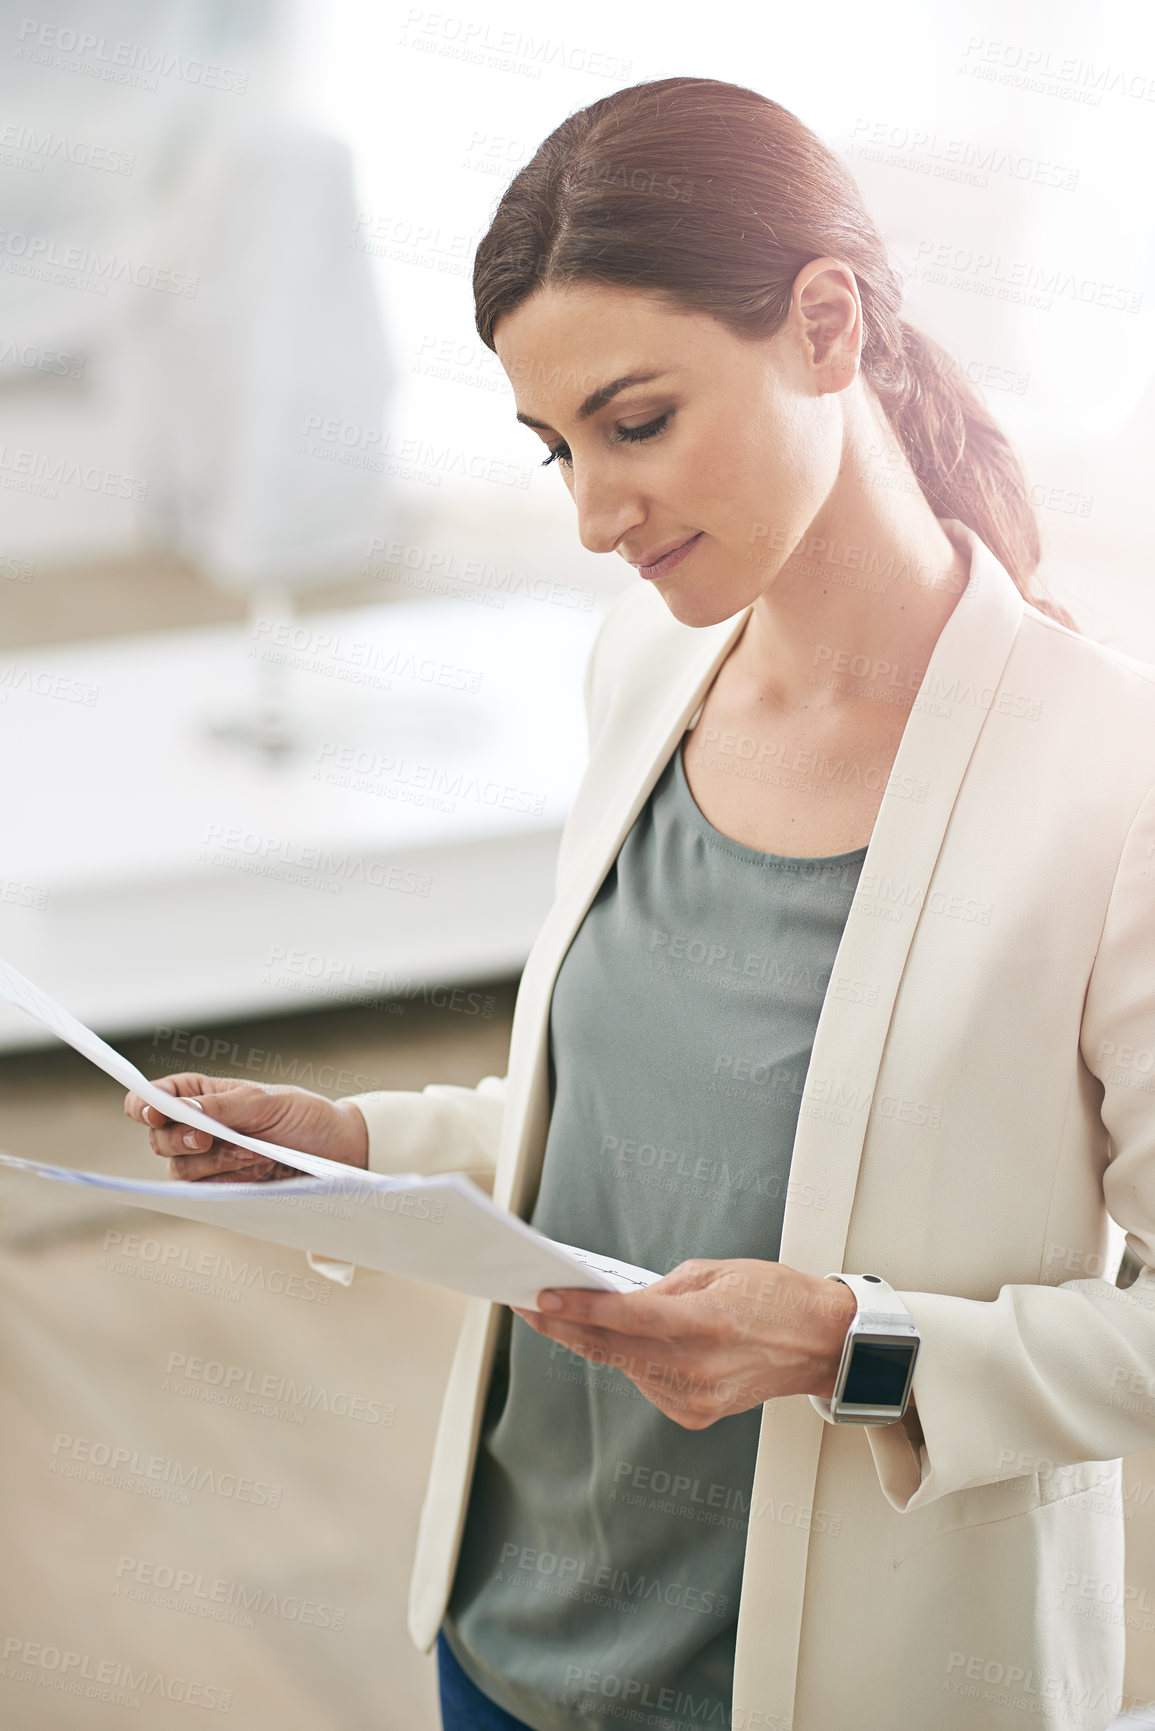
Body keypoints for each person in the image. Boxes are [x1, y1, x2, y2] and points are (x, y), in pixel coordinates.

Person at [125, 77, 1155, 1731]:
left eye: (638, 422)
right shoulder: (649, 666)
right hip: (503, 1638)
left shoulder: (1114, 779)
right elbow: (609, 1116)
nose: (597, 517)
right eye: (556, 451)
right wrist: (355, 1143)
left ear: (829, 325)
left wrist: (848, 1348)